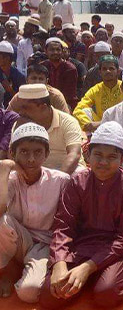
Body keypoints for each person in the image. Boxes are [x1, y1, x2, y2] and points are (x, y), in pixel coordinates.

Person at [38, 122, 123, 309]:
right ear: (88, 155)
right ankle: (85, 278)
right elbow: (63, 225)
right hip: (83, 247)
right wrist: (59, 262)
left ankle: (90, 277)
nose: (103, 162)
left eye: (112, 157)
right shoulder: (77, 182)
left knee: (106, 295)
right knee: (50, 295)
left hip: (117, 252)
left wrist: (88, 267)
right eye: (98, 155)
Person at [0, 123, 69, 303]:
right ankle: (8, 271)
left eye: (38, 152)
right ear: (13, 154)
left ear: (46, 154)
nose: (31, 159)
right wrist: (5, 168)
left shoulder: (60, 181)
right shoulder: (11, 180)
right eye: (23, 152)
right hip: (18, 240)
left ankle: (22, 271)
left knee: (28, 293)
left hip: (45, 245)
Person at [13, 84, 83, 174]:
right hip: (36, 172)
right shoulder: (21, 125)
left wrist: (57, 181)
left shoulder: (67, 121)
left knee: (79, 173)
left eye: (26, 108)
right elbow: (13, 155)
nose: (21, 112)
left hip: (66, 170)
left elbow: (74, 154)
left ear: (43, 107)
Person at [72, 54, 123, 132]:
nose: (108, 71)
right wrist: (88, 124)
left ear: (118, 71)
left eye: (111, 68)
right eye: (104, 69)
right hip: (100, 128)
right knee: (85, 111)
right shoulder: (95, 90)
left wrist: (101, 124)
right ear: (100, 72)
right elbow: (78, 110)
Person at [41, 37, 78, 109]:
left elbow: (69, 95)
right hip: (44, 102)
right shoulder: (42, 66)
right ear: (45, 51)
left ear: (62, 51)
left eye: (58, 50)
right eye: (52, 50)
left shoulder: (70, 68)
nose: (55, 52)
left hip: (66, 103)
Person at [0, 40, 24, 106]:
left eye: (4, 57)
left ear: (11, 59)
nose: (2, 60)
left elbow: (22, 100)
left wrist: (10, 90)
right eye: (0, 57)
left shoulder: (19, 76)